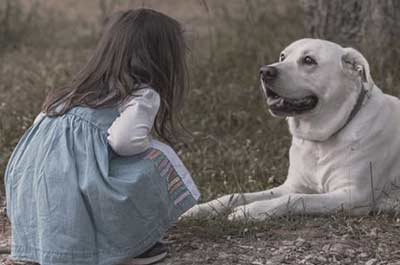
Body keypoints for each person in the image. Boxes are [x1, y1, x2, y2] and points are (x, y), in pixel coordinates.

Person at [4, 8, 199, 265]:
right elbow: (123, 141)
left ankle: (45, 243)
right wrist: (146, 145)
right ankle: (129, 245)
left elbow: (39, 131)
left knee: (76, 174)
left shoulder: (72, 92)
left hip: (30, 189)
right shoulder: (142, 95)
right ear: (162, 59)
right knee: (158, 158)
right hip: (76, 192)